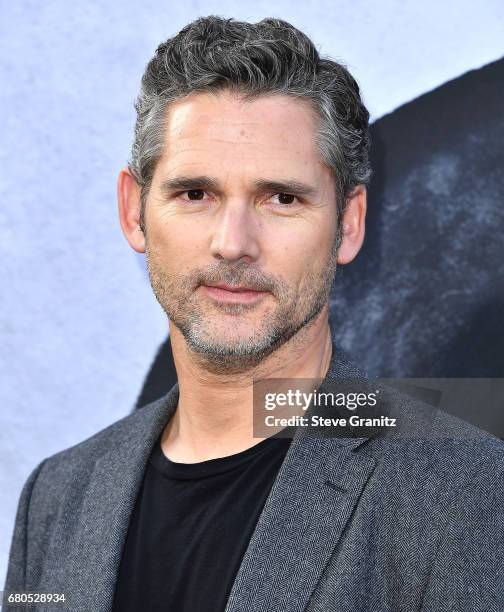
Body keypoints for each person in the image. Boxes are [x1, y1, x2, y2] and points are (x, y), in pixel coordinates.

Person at [4, 15, 504, 612]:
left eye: (282, 198)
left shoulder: (462, 490)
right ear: (135, 211)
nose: (233, 242)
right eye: (196, 194)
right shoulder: (58, 496)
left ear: (348, 224)